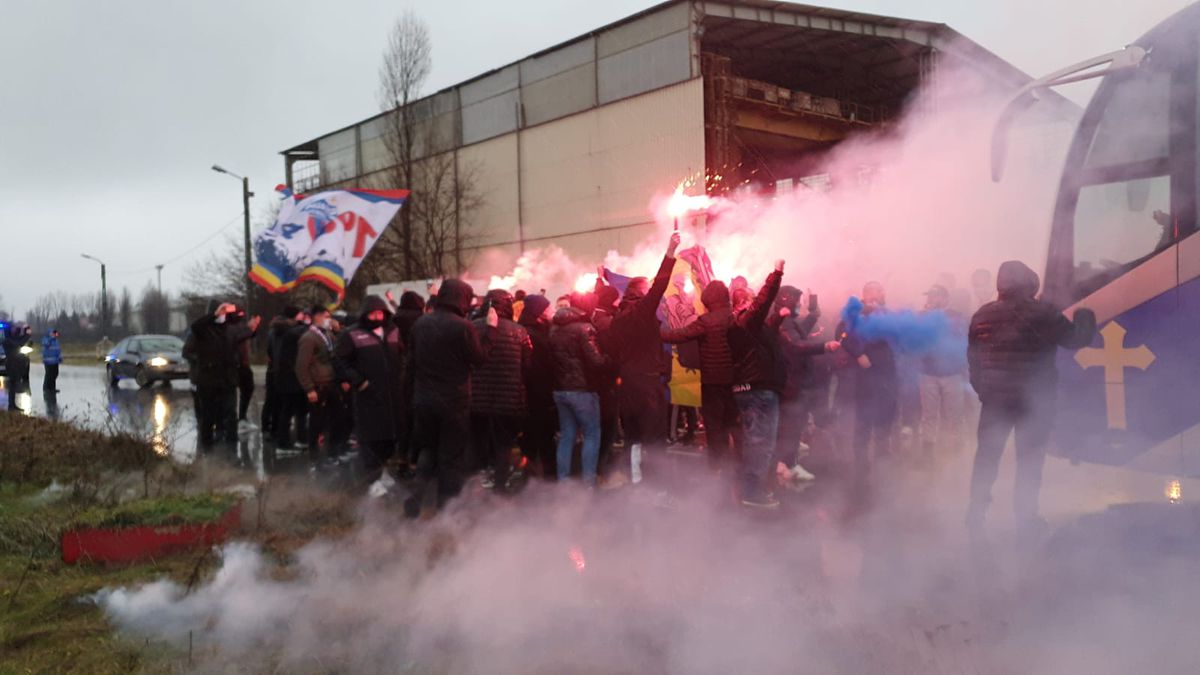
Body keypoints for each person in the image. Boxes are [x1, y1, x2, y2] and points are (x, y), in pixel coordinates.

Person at [967, 261, 1095, 542]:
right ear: (1029, 283)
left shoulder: (981, 315)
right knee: (1029, 462)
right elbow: (1076, 338)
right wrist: (1085, 311)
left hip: (994, 403)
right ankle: (1026, 520)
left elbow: (974, 363)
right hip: (1032, 403)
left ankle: (974, 516)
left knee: (986, 459)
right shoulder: (1043, 313)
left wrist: (985, 392)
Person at [407, 280, 496, 512]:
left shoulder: (420, 324)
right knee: (451, 456)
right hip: (453, 402)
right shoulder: (463, 327)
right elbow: (480, 358)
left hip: (423, 399)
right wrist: (491, 330)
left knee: (428, 449)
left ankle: (416, 496)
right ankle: (447, 508)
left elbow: (411, 363)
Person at [603, 233, 680, 482]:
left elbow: (611, 349)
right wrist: (670, 253)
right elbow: (660, 285)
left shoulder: (617, 319)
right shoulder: (641, 312)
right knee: (654, 437)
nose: (651, 293)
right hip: (647, 384)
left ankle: (635, 481)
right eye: (647, 289)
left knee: (633, 436)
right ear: (641, 292)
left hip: (627, 384)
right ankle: (655, 485)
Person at [728, 262, 791, 507]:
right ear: (744, 302)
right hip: (757, 389)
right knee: (761, 443)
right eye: (752, 299)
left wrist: (778, 318)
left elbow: (762, 334)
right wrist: (776, 274)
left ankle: (750, 489)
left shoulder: (746, 325)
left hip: (753, 388)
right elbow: (762, 305)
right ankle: (752, 493)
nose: (756, 303)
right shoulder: (745, 320)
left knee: (755, 441)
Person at [660, 279, 739, 469]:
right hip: (734, 379)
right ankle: (737, 464)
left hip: (711, 381)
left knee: (714, 424)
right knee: (733, 423)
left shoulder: (706, 321)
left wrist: (656, 330)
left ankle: (717, 466)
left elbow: (679, 335)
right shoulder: (734, 318)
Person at [470, 289, 532, 492]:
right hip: (508, 398)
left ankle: (479, 482)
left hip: (477, 397)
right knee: (503, 444)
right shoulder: (519, 331)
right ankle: (500, 484)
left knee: (479, 441)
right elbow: (527, 365)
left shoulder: (473, 328)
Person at [842, 281, 900, 487]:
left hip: (887, 370)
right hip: (866, 372)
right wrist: (858, 354)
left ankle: (882, 451)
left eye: (882, 291)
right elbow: (843, 336)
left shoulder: (887, 313)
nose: (882, 293)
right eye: (877, 291)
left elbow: (897, 335)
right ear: (866, 294)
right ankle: (861, 458)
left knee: (887, 410)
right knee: (864, 414)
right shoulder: (854, 313)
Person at [549, 291, 610, 485]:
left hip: (560, 389)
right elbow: (596, 360)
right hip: (583, 390)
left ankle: (563, 481)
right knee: (592, 434)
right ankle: (588, 482)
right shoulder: (585, 328)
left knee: (567, 435)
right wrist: (610, 360)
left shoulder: (554, 328)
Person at [774, 286, 823, 481]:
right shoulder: (784, 323)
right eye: (797, 301)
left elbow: (800, 332)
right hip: (792, 381)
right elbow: (796, 344)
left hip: (793, 380)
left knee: (793, 423)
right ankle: (788, 464)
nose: (799, 305)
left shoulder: (787, 321)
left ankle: (785, 461)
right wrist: (824, 347)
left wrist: (813, 309)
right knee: (792, 424)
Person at [918, 285, 968, 464]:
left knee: (954, 414)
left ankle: (955, 454)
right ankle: (928, 454)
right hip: (928, 372)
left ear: (946, 298)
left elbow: (960, 338)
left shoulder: (956, 316)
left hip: (952, 373)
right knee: (929, 414)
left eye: (935, 296)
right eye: (929, 296)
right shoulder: (921, 316)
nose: (930, 299)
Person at [183, 301, 240, 451]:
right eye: (221, 312)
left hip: (225, 379)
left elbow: (237, 338)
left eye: (224, 313)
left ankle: (231, 443)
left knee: (229, 411)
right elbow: (188, 349)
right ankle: (206, 446)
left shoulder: (226, 329)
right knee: (207, 414)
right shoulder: (202, 330)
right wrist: (203, 361)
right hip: (206, 379)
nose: (223, 315)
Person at [518, 295, 558, 479]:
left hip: (535, 391)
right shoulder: (533, 334)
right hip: (537, 391)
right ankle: (544, 474)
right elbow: (539, 365)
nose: (552, 311)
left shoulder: (535, 329)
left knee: (536, 434)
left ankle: (531, 473)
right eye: (548, 308)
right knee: (541, 433)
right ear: (539, 312)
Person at [297, 305, 341, 463]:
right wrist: (309, 388)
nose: (329, 320)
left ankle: (332, 453)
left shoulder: (327, 334)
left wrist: (338, 331)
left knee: (335, 419)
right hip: (318, 384)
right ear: (317, 317)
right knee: (316, 422)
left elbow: (337, 350)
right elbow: (301, 365)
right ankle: (314, 456)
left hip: (330, 381)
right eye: (326, 317)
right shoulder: (309, 338)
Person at [273, 309, 311, 449]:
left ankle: (291, 440)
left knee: (289, 410)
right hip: (292, 377)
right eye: (301, 314)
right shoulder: (293, 333)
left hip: (285, 377)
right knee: (293, 411)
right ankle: (286, 443)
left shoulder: (280, 331)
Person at [262, 306, 301, 435]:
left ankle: (269, 428)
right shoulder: (290, 331)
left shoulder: (274, 329)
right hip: (285, 371)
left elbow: (270, 350)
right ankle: (278, 431)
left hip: (274, 369)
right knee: (284, 404)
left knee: (273, 401)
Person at [227, 305, 260, 430]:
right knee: (232, 394)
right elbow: (239, 336)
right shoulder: (229, 327)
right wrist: (249, 328)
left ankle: (241, 418)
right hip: (235, 365)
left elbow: (247, 335)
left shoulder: (238, 326)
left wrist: (253, 328)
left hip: (243, 365)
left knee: (247, 389)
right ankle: (233, 421)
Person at [40, 328, 63, 392]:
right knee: (49, 375)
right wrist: (51, 338)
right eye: (53, 333)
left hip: (55, 361)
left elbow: (58, 350)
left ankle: (52, 388)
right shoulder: (45, 339)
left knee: (55, 374)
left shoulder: (56, 341)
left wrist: (60, 357)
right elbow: (46, 344)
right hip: (48, 361)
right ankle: (46, 388)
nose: (55, 335)